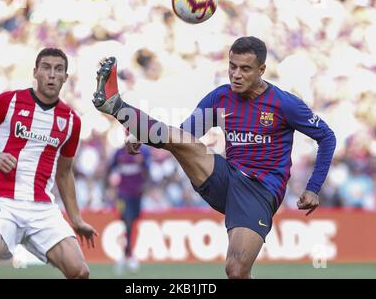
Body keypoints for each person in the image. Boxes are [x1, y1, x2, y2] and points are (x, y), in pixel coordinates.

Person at [92, 36, 336, 279]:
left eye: (245, 69)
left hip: (260, 191)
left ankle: (120, 109)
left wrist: (313, 187)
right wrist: (144, 133)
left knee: (236, 271)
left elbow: (327, 137)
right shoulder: (220, 98)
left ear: (262, 70)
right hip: (225, 177)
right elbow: (185, 134)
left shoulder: (284, 104)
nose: (236, 74)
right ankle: (115, 105)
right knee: (182, 142)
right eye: (232, 66)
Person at [0, 48, 98, 279]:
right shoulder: (9, 101)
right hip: (3, 201)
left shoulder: (71, 121)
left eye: (59, 70)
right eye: (46, 68)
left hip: (42, 209)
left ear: (66, 77)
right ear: (35, 72)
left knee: (80, 272)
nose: (52, 75)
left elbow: (64, 174)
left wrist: (76, 219)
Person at [106, 143, 150, 275]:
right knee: (126, 219)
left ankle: (126, 254)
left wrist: (145, 185)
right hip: (122, 193)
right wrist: (109, 185)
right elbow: (110, 169)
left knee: (132, 221)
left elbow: (148, 169)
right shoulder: (119, 152)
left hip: (137, 193)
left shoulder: (143, 152)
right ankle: (128, 254)